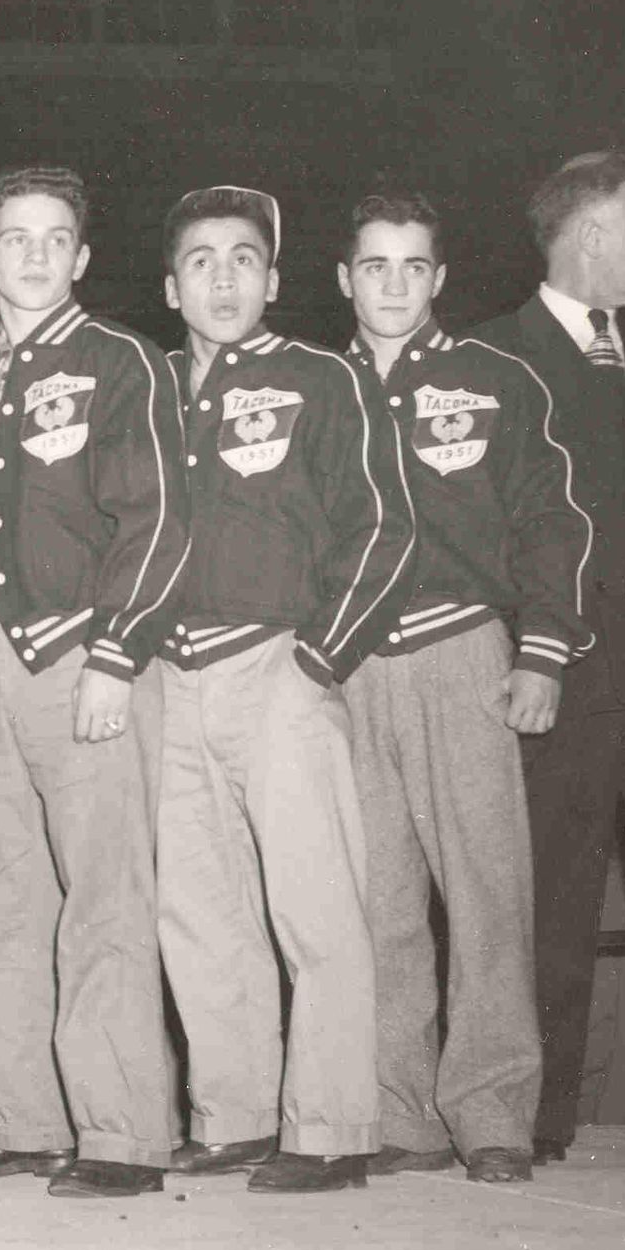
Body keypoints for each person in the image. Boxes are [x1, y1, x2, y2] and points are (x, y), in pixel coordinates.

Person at [153, 185, 416, 1193]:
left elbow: (384, 526)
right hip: (171, 673)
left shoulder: (318, 377)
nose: (223, 279)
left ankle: (334, 1126)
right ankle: (235, 1116)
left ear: (273, 279)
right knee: (198, 908)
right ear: (171, 286)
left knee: (315, 904)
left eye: (243, 259)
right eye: (201, 261)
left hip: (276, 665)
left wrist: (319, 656)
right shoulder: (149, 384)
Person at [332, 191, 592, 1185]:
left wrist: (543, 651)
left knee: (486, 890)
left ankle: (491, 1113)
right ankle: (402, 1113)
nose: (394, 284)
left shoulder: (493, 379)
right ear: (344, 278)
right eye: (374, 265)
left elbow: (549, 519)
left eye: (413, 266)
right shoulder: (316, 388)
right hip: (349, 663)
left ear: (438, 277)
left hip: (462, 652)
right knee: (376, 899)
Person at [472, 154, 625, 1164]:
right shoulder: (488, 357)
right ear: (588, 236)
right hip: (556, 683)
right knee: (549, 913)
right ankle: (536, 1120)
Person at [0, 166, 190, 1200]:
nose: (35, 255)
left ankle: (123, 1134)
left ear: (83, 257)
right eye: (16, 237)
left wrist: (116, 652)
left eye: (56, 238)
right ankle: (23, 1121)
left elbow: (159, 516)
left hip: (83, 652)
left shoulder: (119, 361)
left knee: (104, 898)